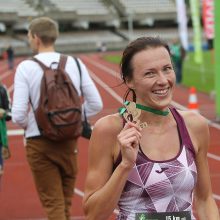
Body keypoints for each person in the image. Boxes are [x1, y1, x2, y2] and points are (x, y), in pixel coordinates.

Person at [82, 37, 219, 220]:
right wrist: (125, 165)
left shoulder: (195, 125)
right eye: (150, 73)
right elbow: (93, 215)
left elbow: (204, 200)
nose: (163, 80)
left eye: (167, 69)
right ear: (129, 80)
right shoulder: (109, 130)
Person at [12, 17, 103, 220]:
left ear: (35, 37)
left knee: (53, 204)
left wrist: (33, 125)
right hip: (69, 139)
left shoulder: (25, 68)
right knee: (65, 202)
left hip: (39, 142)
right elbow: (96, 104)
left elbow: (18, 114)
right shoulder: (75, 63)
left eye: (28, 36)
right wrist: (73, 118)